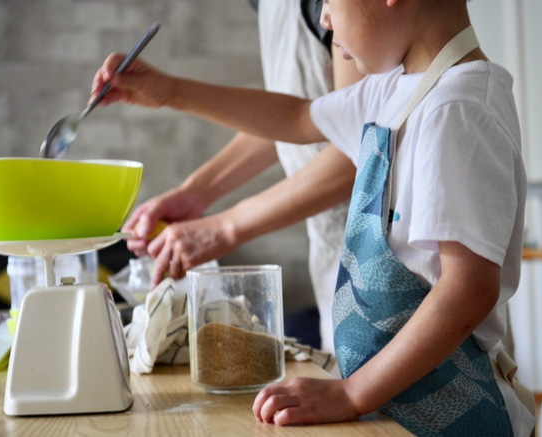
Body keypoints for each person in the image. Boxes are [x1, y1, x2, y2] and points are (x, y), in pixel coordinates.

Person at [91, 0, 535, 435]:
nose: (322, 17)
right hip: (395, 407)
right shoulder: (396, 90)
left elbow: (468, 291)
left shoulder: (456, 108)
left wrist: (351, 394)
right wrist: (168, 91)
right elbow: (299, 116)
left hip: (452, 412)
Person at [120, 0, 362, 354]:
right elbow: (300, 115)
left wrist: (224, 228)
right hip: (334, 264)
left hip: (380, 259)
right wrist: (196, 193)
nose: (327, 18)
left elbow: (354, 143)